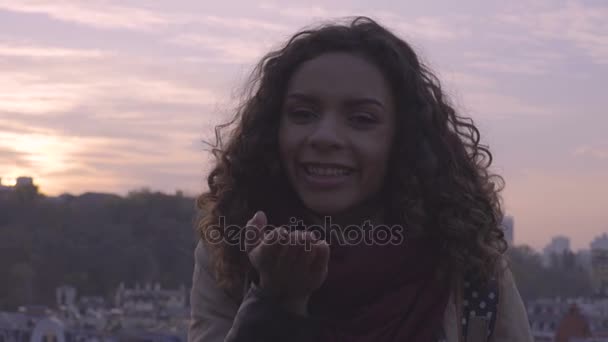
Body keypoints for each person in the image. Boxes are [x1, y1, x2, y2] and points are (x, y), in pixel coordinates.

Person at [189, 16, 533, 342]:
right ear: (273, 130)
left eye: (362, 119)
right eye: (303, 114)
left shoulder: (467, 266)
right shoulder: (230, 255)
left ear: (401, 139)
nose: (325, 136)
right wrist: (276, 301)